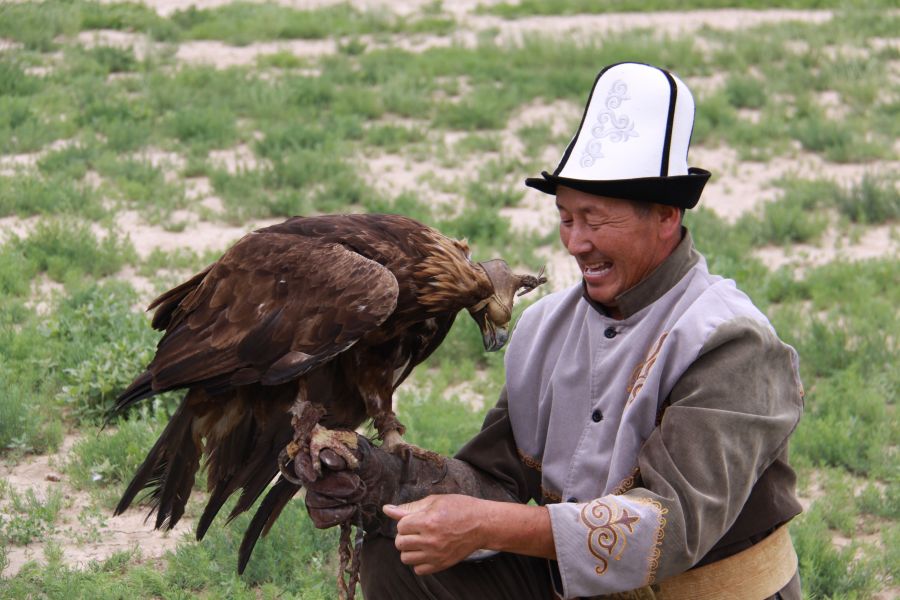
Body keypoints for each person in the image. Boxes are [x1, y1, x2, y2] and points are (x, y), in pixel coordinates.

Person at [298, 62, 804, 599]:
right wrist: (388, 481)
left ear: (664, 215)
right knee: (403, 548)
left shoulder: (729, 341)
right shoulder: (545, 328)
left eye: (595, 218)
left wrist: (485, 524)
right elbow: (495, 481)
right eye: (566, 217)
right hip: (581, 587)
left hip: (710, 593)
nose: (575, 243)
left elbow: (671, 527)